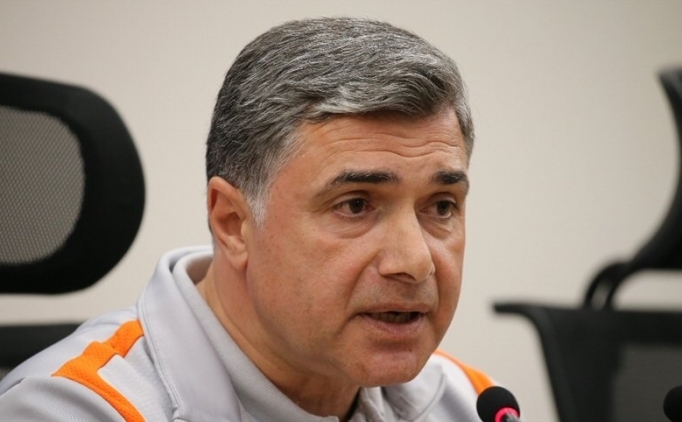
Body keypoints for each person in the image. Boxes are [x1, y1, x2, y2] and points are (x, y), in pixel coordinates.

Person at [0, 17, 494, 421]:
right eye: (355, 205)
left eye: (441, 206)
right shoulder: (71, 410)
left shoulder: (473, 403)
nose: (415, 262)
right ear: (233, 223)